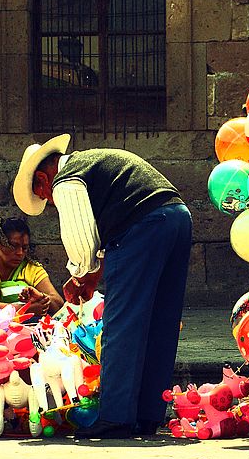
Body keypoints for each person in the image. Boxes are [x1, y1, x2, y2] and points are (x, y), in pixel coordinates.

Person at [12, 133, 192, 439]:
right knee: (160, 323)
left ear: (43, 179)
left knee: (121, 325)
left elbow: (81, 239)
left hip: (142, 228)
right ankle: (148, 414)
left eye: (44, 196)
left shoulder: (66, 179)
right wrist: (93, 274)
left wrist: (80, 273)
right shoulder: (95, 164)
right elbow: (111, 230)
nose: (50, 201)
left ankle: (116, 416)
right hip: (176, 218)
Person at [0, 217, 64, 327]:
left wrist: (42, 298)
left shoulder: (32, 269)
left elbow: (58, 304)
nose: (20, 253)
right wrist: (24, 310)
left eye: (24, 248)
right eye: (13, 246)